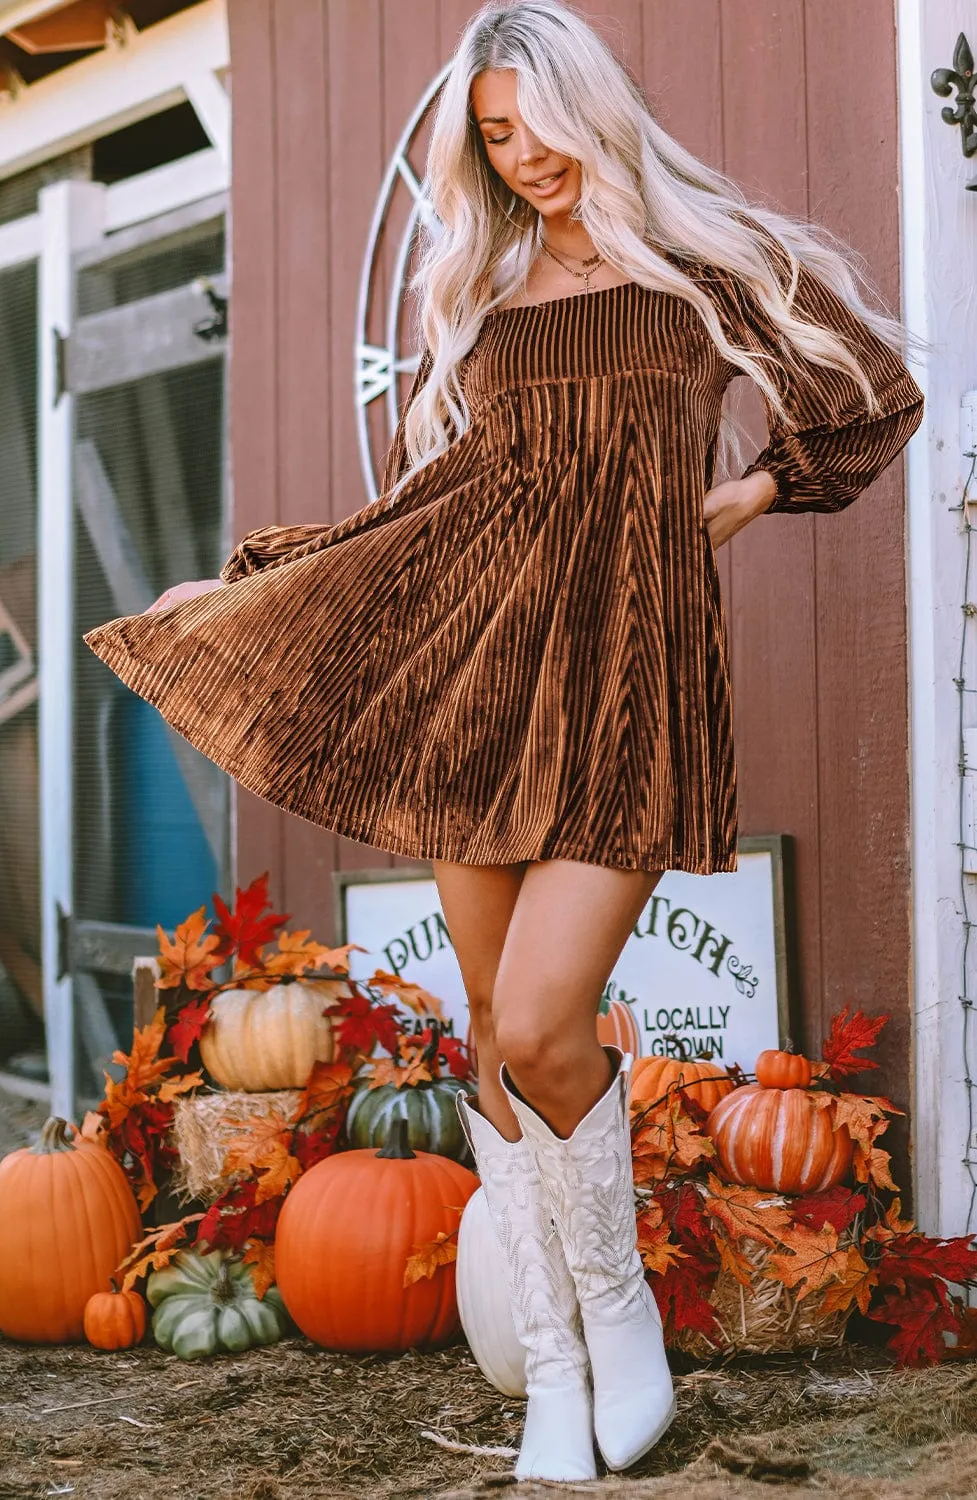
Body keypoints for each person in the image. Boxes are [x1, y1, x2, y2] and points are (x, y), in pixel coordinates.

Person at [83, 0, 925, 1483]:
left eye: (535, 119)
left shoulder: (699, 269)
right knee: (492, 1034)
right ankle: (549, 1370)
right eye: (492, 134)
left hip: (624, 685)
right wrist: (253, 584)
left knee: (544, 1021)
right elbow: (421, 512)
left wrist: (737, 500)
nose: (521, 155)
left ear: (588, 108)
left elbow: (868, 390)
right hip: (473, 685)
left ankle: (617, 1319)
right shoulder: (485, 302)